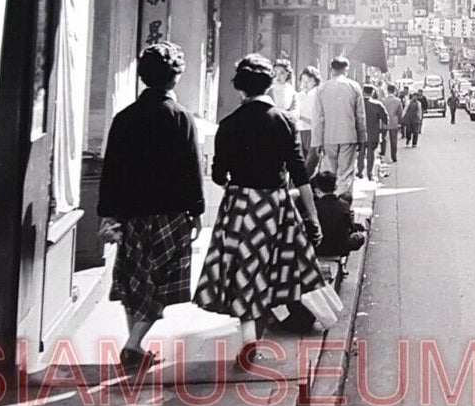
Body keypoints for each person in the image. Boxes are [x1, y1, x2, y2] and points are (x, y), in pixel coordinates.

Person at [195, 54, 325, 363]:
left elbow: (217, 174)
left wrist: (237, 189)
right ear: (269, 85)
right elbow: (299, 172)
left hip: (239, 206)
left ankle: (249, 336)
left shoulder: (227, 125)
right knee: (276, 270)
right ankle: (258, 334)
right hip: (276, 206)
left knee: (245, 270)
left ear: (240, 88)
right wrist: (313, 216)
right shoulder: (284, 120)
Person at [97, 42, 206, 372]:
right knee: (158, 280)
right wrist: (197, 210)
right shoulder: (180, 117)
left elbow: (111, 167)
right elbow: (192, 166)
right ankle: (133, 344)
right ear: (175, 78)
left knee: (135, 281)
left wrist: (108, 212)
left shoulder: (124, 118)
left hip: (131, 213)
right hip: (169, 214)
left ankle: (136, 347)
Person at [311, 56, 367, 203]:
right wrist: (362, 138)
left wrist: (317, 142)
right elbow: (360, 116)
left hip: (328, 137)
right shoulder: (354, 87)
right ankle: (343, 205)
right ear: (346, 70)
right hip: (349, 136)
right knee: (346, 173)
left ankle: (328, 205)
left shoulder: (322, 89)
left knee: (329, 173)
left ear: (332, 69)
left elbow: (318, 118)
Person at [309, 171, 367, 258]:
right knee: (360, 237)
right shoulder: (344, 205)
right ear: (335, 187)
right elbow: (349, 228)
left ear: (317, 190)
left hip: (319, 248)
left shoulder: (314, 207)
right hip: (340, 247)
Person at [360, 85, 388, 180]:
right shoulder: (377, 104)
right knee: (371, 152)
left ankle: (360, 171)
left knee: (361, 151)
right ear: (372, 93)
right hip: (373, 133)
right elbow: (385, 118)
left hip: (359, 132)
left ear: (363, 92)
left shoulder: (358, 104)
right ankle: (369, 173)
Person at [296, 65, 321, 162]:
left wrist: (301, 117)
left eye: (309, 81)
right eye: (303, 80)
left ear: (315, 82)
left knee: (311, 160)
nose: (305, 83)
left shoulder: (317, 96)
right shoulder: (298, 96)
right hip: (299, 130)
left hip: (312, 131)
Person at [270, 58, 298, 125]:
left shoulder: (292, 92)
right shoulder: (268, 91)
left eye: (282, 73)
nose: (278, 76)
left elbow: (295, 112)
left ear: (287, 74)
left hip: (287, 125)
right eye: (275, 72)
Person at [380, 82, 404, 161]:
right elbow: (400, 113)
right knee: (394, 140)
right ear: (394, 91)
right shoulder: (398, 101)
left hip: (384, 122)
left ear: (387, 91)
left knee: (383, 139)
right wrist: (400, 123)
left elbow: (381, 112)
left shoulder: (383, 100)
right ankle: (394, 156)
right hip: (394, 122)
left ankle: (382, 153)